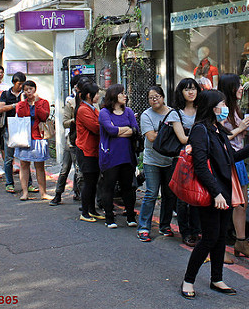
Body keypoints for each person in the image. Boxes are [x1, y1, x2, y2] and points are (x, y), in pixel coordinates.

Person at [180, 89, 249, 300]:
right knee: (208, 239)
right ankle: (188, 280)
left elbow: (231, 157)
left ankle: (217, 279)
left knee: (220, 237)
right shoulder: (200, 130)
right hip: (211, 192)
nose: (224, 108)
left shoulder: (217, 129)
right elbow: (200, 166)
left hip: (224, 191)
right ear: (212, 107)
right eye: (221, 105)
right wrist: (216, 193)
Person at [217, 73, 249, 259]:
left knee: (242, 203)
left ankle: (241, 242)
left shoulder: (236, 108)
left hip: (239, 158)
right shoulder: (221, 108)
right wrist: (240, 129)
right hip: (227, 159)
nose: (242, 88)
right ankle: (220, 246)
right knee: (227, 204)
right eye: (238, 85)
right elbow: (219, 136)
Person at [136, 85, 177, 241]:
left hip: (169, 160)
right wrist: (170, 133)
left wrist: (166, 133)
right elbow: (151, 137)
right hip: (152, 160)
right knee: (151, 193)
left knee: (169, 194)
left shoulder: (173, 113)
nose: (154, 100)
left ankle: (165, 225)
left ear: (163, 97)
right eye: (151, 98)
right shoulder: (146, 115)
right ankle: (144, 227)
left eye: (157, 97)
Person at [97, 84, 140, 228]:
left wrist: (120, 131)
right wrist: (125, 130)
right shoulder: (104, 112)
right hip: (110, 155)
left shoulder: (128, 111)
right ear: (114, 95)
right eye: (121, 93)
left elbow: (135, 130)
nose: (125, 95)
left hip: (127, 156)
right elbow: (110, 130)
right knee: (108, 186)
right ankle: (109, 217)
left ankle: (130, 216)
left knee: (128, 187)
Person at [170, 78, 202, 247]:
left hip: (200, 158)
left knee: (197, 194)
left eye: (194, 89)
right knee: (183, 197)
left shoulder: (202, 110)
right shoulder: (176, 113)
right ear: (181, 93)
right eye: (187, 89)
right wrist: (201, 137)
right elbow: (182, 138)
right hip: (183, 160)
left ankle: (196, 230)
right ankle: (185, 231)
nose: (191, 92)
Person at [50, 74, 85, 206]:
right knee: (66, 167)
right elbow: (65, 122)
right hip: (71, 139)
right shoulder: (71, 101)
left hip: (81, 139)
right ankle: (58, 194)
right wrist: (76, 120)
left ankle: (78, 194)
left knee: (79, 169)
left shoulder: (90, 101)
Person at [14, 80, 51, 200]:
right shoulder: (21, 104)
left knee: (39, 165)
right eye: (26, 90)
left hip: (38, 137)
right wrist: (23, 102)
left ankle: (43, 193)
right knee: (24, 164)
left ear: (35, 89)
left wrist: (36, 104)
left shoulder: (44, 102)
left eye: (30, 89)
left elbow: (43, 116)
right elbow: (20, 114)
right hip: (24, 137)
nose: (28, 92)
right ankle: (25, 192)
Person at [75, 80, 103, 222]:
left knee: (93, 181)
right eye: (96, 93)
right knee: (88, 182)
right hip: (86, 150)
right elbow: (95, 127)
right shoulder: (83, 110)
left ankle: (92, 210)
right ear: (88, 95)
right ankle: (85, 212)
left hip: (93, 150)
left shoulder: (92, 108)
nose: (98, 96)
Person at [0, 72, 26, 193]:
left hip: (23, 127)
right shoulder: (5, 94)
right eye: (19, 84)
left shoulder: (25, 94)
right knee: (9, 157)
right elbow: (1, 108)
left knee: (25, 157)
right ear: (14, 83)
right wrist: (16, 105)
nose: (21, 86)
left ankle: (28, 183)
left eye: (22, 84)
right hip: (9, 127)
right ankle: (9, 183)